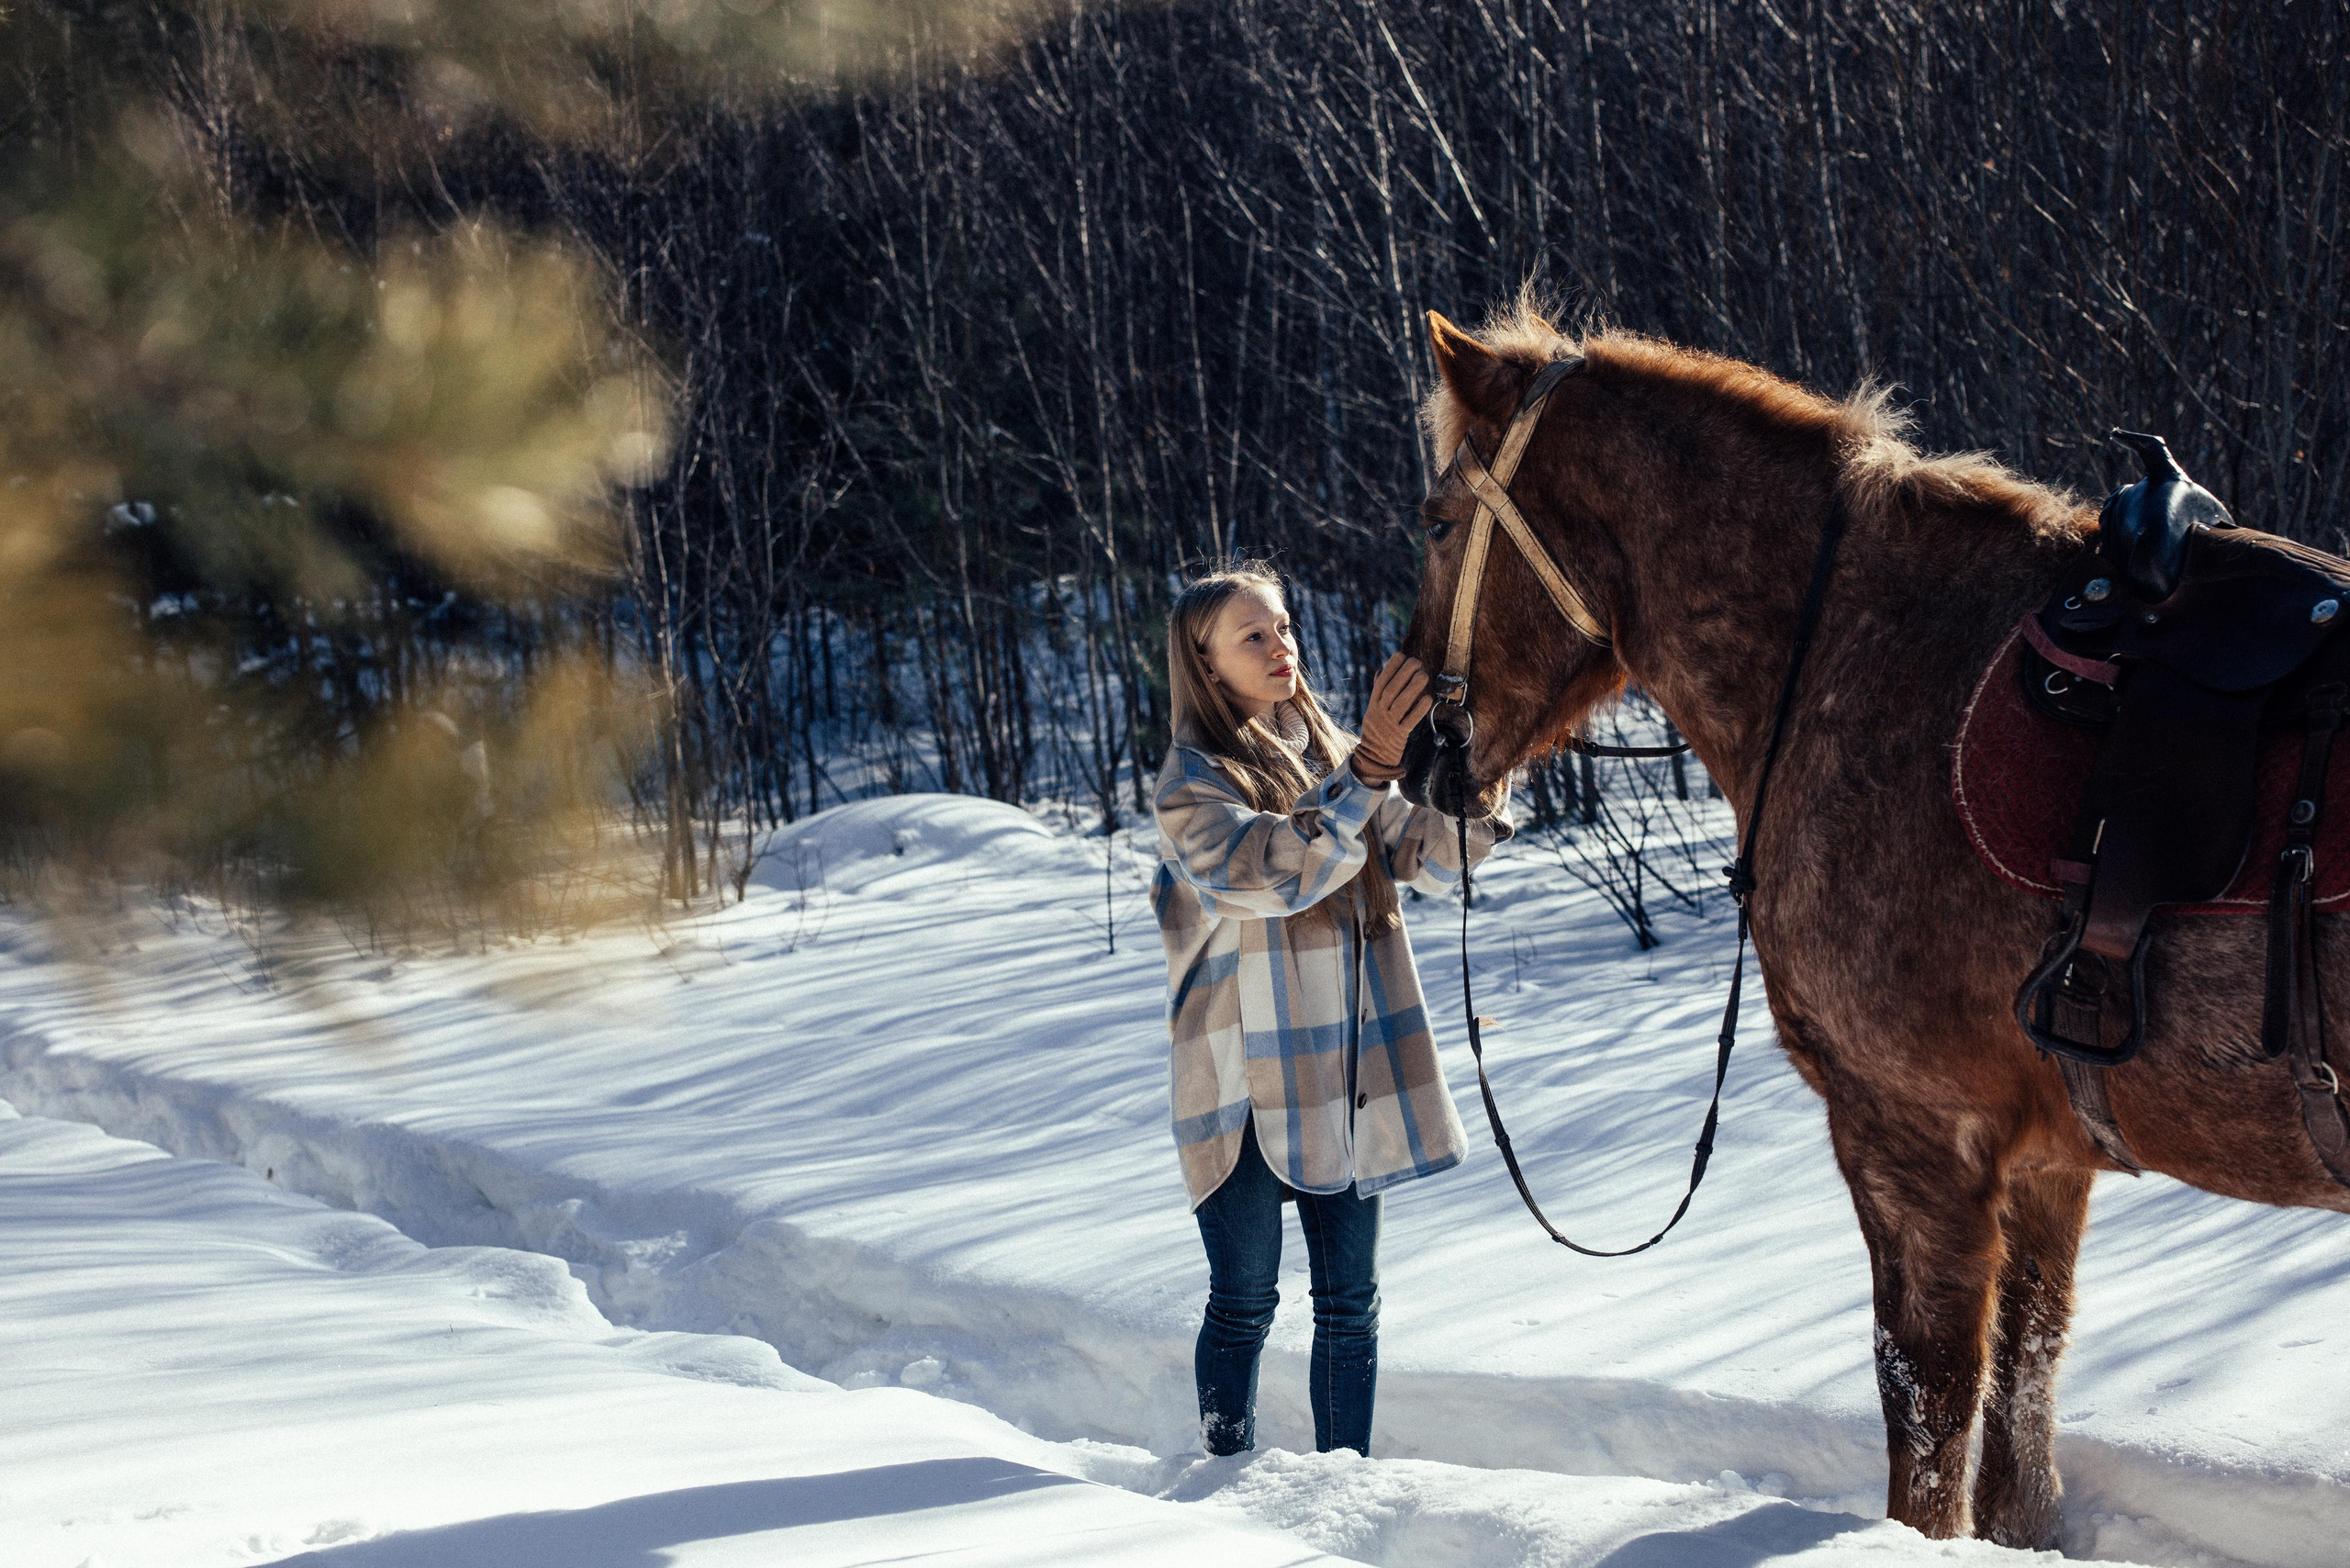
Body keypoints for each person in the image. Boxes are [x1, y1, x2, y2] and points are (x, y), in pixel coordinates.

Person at [1150, 560, 1511, 1459]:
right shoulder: (1189, 783)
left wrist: (1487, 766)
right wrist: (1372, 769)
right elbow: (1270, 871)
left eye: (1283, 626)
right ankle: (1221, 1475)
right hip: (1241, 1086)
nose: (1281, 646)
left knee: (1350, 1304)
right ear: (1205, 660)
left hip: (1345, 1070)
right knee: (1245, 1302)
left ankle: (1341, 1486)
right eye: (1253, 635)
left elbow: (1423, 858)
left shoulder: (1329, 756)